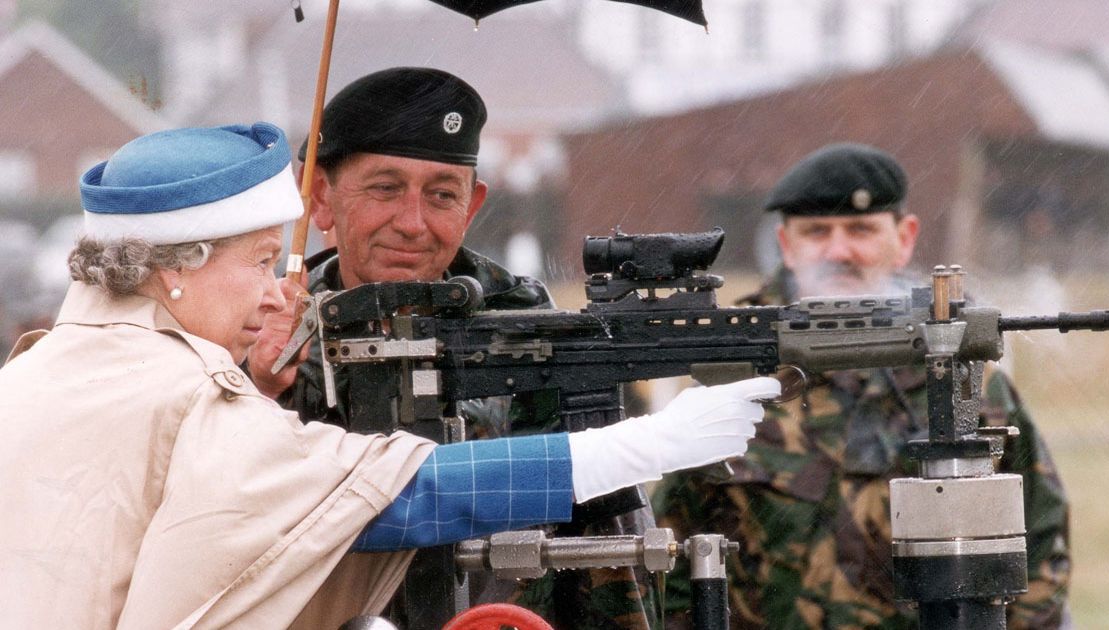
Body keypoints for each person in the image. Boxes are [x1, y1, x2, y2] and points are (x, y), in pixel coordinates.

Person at [0, 122, 780, 629]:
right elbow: (394, 497)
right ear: (179, 269)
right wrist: (643, 446)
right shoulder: (179, 391)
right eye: (261, 261)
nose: (278, 292)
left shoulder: (43, 370)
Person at [245, 67, 662, 629]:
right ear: (319, 196)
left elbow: (612, 562)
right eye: (385, 189)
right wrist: (257, 388)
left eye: (441, 195)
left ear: (471, 206)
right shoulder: (252, 334)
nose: (413, 224)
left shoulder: (538, 340)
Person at [654, 143, 1071, 629]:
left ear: (905, 237)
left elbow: (1037, 548)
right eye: (816, 232)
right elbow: (672, 553)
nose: (838, 251)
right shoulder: (735, 370)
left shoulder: (959, 374)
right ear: (786, 244)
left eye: (861, 229)